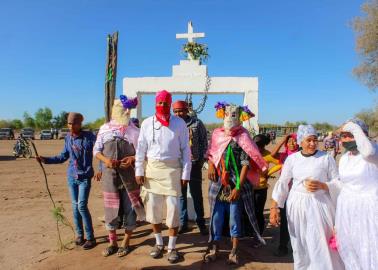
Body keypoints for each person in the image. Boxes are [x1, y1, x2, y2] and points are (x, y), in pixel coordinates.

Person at [269, 125, 344, 270]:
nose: (312, 143)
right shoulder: (292, 159)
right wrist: (274, 207)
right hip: (297, 206)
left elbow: (338, 182)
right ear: (300, 142)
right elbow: (283, 183)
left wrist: (323, 186)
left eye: (315, 140)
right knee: (300, 243)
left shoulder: (326, 158)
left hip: (320, 205)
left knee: (321, 242)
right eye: (308, 140)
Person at [204, 102, 267, 265]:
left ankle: (234, 251)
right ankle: (214, 248)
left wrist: (238, 187)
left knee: (234, 218)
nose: (230, 118)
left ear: (239, 117)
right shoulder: (217, 134)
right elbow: (211, 154)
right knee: (216, 218)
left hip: (236, 184)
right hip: (218, 184)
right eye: (227, 114)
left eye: (233, 115)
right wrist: (211, 165)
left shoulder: (243, 136)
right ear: (222, 115)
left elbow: (245, 163)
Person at [135, 90, 191, 264]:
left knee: (173, 208)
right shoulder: (146, 123)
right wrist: (139, 170)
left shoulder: (179, 123)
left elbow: (186, 151)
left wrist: (186, 172)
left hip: (173, 170)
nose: (163, 106)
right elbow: (140, 149)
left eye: (166, 103)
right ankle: (159, 243)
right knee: (153, 209)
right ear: (155, 104)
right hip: (152, 170)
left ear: (170, 104)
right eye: (160, 103)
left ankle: (172, 247)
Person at [36, 112, 97, 250]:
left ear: (79, 124)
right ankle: (80, 235)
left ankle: (91, 237)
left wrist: (100, 168)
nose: (70, 126)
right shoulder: (68, 138)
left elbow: (99, 151)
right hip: (72, 177)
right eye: (69, 123)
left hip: (84, 177)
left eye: (73, 123)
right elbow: (63, 156)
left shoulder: (89, 137)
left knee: (81, 206)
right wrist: (46, 159)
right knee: (75, 207)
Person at [93, 96, 145, 257]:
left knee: (130, 210)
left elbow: (143, 153)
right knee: (111, 209)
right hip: (110, 177)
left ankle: (126, 242)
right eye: (124, 109)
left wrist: (132, 159)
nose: (127, 112)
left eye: (129, 110)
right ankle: (112, 242)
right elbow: (96, 151)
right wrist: (106, 161)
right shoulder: (105, 129)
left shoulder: (135, 131)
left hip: (129, 178)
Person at [330, 118, 378, 269]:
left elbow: (368, 151)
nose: (346, 139)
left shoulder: (373, 153)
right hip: (347, 211)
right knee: (350, 250)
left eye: (351, 135)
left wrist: (350, 126)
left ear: (361, 135)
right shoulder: (344, 158)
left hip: (369, 212)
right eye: (343, 136)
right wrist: (325, 186)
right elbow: (343, 184)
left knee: (370, 250)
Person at [172, 100, 208, 235]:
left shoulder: (197, 123)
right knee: (181, 195)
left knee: (196, 194)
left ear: (187, 110)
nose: (178, 114)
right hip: (178, 165)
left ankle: (201, 223)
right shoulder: (171, 124)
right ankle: (183, 223)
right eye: (175, 111)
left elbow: (204, 141)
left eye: (180, 111)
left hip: (194, 164)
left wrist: (202, 159)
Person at [269, 133, 299, 256]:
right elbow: (272, 154)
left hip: (298, 193)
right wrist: (282, 140)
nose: (292, 143)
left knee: (298, 220)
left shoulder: (302, 155)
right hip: (285, 192)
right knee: (285, 220)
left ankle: (298, 247)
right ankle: (283, 246)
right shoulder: (284, 155)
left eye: (294, 141)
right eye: (289, 141)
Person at [252, 134, 281, 236]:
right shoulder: (250, 152)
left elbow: (280, 164)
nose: (255, 148)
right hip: (248, 187)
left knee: (258, 212)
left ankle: (259, 233)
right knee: (249, 211)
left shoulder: (268, 155)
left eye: (258, 147)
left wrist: (269, 173)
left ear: (263, 146)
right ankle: (250, 231)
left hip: (261, 188)